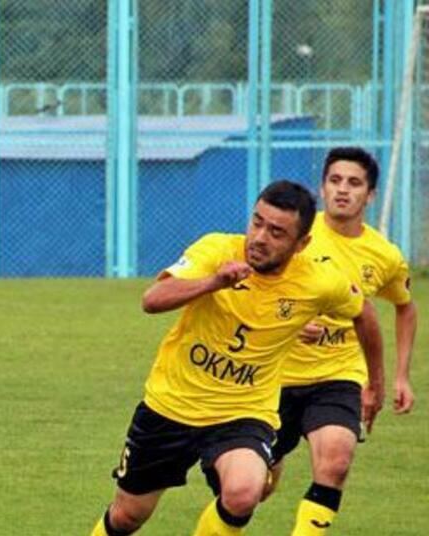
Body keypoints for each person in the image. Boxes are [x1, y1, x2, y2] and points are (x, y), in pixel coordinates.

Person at [89, 180, 382, 536]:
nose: (260, 237)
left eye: (276, 232)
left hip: (242, 412)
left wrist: (375, 383)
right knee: (127, 516)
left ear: (301, 244)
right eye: (257, 222)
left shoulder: (319, 281)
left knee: (244, 492)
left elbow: (364, 313)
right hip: (171, 405)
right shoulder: (217, 250)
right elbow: (153, 299)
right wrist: (214, 282)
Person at [265, 147, 416, 535]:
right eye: (334, 181)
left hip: (339, 374)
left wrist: (400, 376)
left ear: (370, 195)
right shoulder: (295, 236)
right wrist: (292, 322)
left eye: (354, 183)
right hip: (276, 373)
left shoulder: (384, 255)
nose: (343, 190)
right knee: (254, 487)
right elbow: (258, 289)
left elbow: (405, 307)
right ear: (322, 188)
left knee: (335, 462)